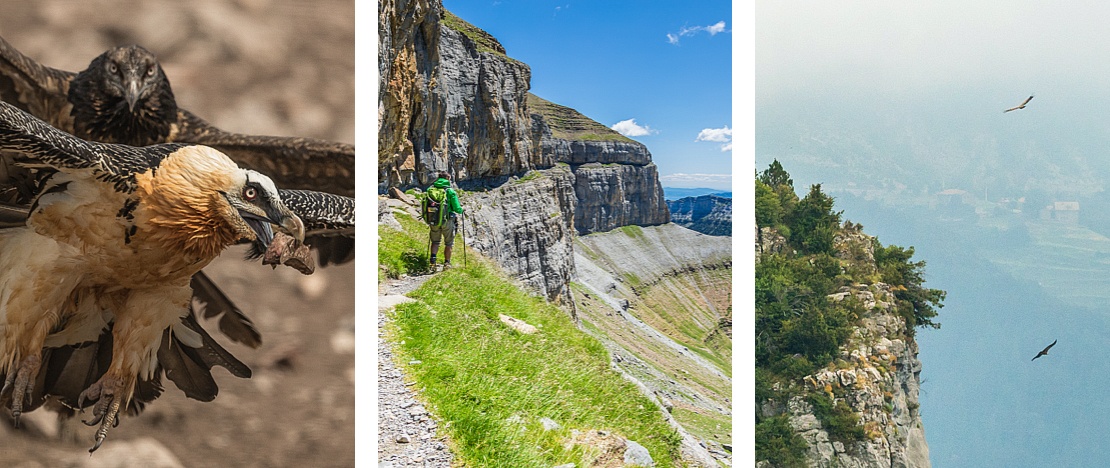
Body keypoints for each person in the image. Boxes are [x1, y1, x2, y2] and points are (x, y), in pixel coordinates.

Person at [425, 171, 464, 270]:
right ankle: (447, 263)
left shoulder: (430, 189)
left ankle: (432, 262)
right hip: (447, 220)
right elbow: (457, 208)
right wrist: (461, 210)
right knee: (449, 243)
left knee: (435, 241)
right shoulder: (450, 191)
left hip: (434, 219)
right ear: (447, 178)